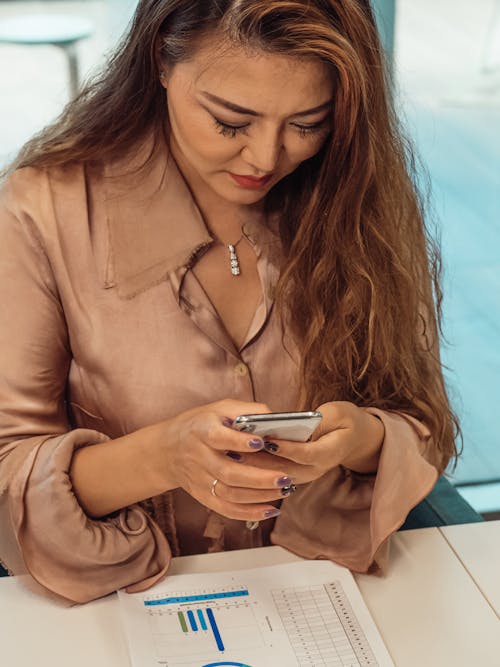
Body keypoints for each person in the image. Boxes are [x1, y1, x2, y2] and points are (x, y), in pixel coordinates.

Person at [0, 0, 459, 604]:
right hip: (118, 605)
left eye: (307, 123)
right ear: (161, 60)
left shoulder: (358, 198)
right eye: (230, 122)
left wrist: (365, 439)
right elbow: (8, 472)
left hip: (329, 590)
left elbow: (422, 419)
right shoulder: (42, 210)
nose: (267, 159)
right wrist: (163, 458)